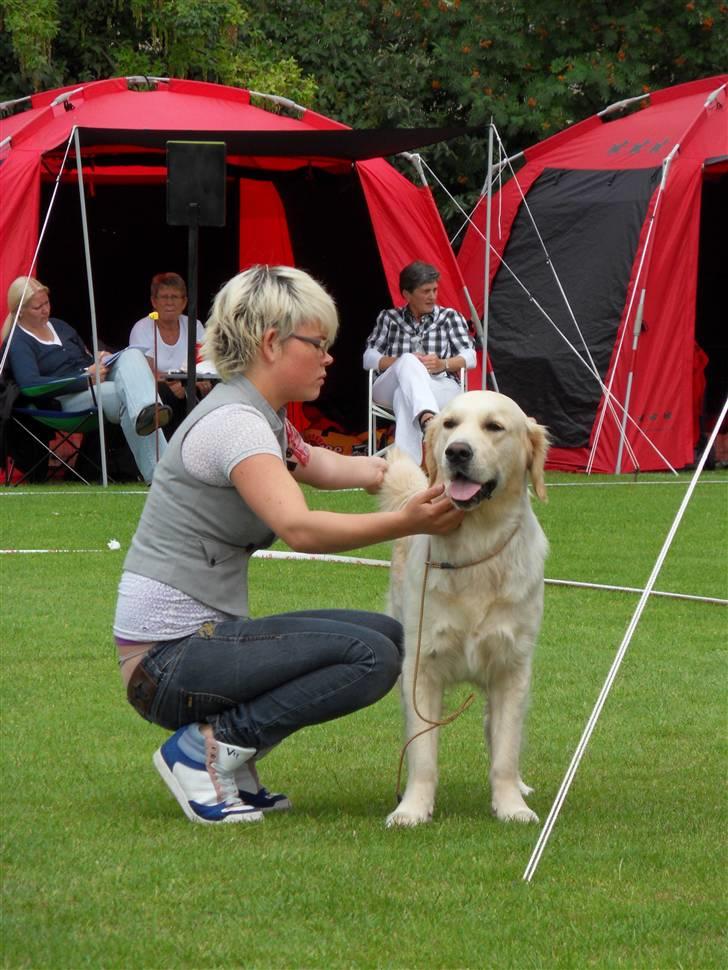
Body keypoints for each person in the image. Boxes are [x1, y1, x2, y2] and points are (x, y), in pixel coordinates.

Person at [114, 264, 464, 825]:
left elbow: (317, 463)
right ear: (272, 343)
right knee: (371, 656)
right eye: (318, 344)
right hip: (167, 663)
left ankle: (230, 757)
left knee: (389, 636)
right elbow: (300, 528)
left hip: (185, 651)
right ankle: (206, 751)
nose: (329, 358)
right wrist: (409, 521)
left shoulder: (259, 415)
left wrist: (390, 470)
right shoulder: (238, 424)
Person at [4, 277, 170, 484]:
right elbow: (30, 386)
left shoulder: (59, 326)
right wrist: (84, 379)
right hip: (63, 399)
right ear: (20, 311)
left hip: (93, 382)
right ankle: (163, 475)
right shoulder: (18, 341)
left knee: (132, 355)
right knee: (124, 395)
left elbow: (84, 359)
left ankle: (149, 410)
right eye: (38, 307)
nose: (45, 310)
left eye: (47, 303)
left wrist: (98, 359)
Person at [363, 260, 476, 462]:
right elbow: (368, 358)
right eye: (426, 291)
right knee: (408, 361)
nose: (432, 296)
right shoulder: (389, 318)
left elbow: (471, 357)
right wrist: (400, 363)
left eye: (435, 290)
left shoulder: (449, 317)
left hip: (439, 384)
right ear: (407, 294)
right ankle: (428, 417)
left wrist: (443, 364)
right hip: (391, 384)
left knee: (403, 396)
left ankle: (406, 466)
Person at [129, 272, 213, 438]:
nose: (169, 302)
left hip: (191, 386)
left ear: (184, 302)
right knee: (164, 391)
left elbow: (205, 363)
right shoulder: (142, 328)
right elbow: (145, 373)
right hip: (158, 393)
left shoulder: (194, 325)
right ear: (154, 301)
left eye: (174, 297)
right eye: (164, 297)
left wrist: (188, 384)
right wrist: (179, 383)